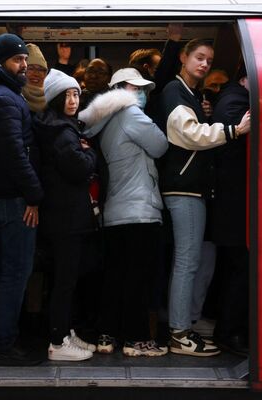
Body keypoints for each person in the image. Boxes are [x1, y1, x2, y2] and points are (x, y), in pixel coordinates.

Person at [154, 38, 250, 357]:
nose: (204, 64)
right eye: (199, 57)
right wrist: (234, 130)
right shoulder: (175, 91)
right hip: (184, 187)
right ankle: (180, 333)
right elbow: (190, 135)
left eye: (208, 59)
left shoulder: (189, 93)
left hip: (188, 186)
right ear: (183, 57)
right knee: (187, 261)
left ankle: (182, 326)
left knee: (188, 260)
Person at [79, 68, 169, 357]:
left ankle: (107, 335)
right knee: (138, 278)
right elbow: (160, 145)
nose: (141, 93)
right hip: (140, 209)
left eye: (144, 89)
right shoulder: (131, 115)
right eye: (135, 88)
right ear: (119, 89)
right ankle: (136, 339)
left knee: (115, 275)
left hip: (114, 210)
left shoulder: (101, 121)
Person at [0, 33, 44, 366]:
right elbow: (15, 155)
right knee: (16, 272)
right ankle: (3, 345)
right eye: (18, 61)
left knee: (5, 271)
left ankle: (1, 340)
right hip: (14, 198)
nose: (24, 67)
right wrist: (34, 194)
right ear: (1, 61)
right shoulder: (3, 100)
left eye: (25, 61)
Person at [34, 69, 98, 361]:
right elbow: (80, 167)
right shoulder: (61, 130)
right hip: (66, 217)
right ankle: (58, 341)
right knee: (65, 281)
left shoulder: (57, 125)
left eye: (76, 94)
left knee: (64, 279)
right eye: (67, 94)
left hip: (61, 214)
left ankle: (64, 332)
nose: (73, 99)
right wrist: (91, 155)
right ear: (55, 98)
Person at [210, 65, 250, 356]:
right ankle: (229, 331)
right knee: (239, 269)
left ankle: (227, 328)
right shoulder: (237, 102)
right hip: (234, 205)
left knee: (232, 268)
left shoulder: (230, 99)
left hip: (230, 204)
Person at [22, 43, 48, 114]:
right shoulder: (14, 98)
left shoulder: (53, 99)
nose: (36, 73)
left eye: (40, 69)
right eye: (31, 68)